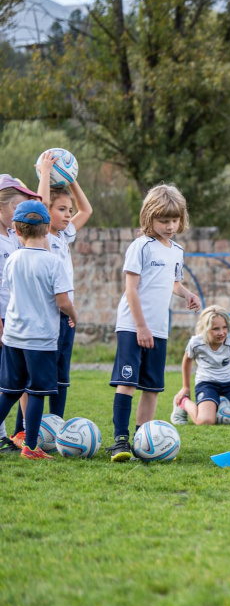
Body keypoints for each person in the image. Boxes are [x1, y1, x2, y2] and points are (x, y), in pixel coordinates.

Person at [108, 185, 201, 461]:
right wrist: (140, 326)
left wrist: (186, 293)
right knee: (127, 383)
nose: (170, 226)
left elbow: (172, 283)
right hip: (133, 326)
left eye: (174, 220)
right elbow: (131, 289)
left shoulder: (176, 250)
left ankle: (141, 440)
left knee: (152, 388)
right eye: (163, 220)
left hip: (159, 329)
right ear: (149, 217)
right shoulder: (140, 247)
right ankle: (120, 441)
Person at [0, 200, 77, 459]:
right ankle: (31, 448)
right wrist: (74, 315)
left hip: (12, 337)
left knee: (10, 391)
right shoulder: (53, 262)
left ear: (17, 231)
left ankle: (25, 444)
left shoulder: (12, 260)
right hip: (40, 340)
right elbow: (63, 301)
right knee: (36, 392)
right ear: (47, 230)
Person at [36, 150, 94, 419]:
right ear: (47, 212)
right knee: (39, 375)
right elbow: (41, 208)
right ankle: (26, 429)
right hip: (49, 313)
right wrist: (46, 173)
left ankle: (56, 423)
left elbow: (87, 210)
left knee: (61, 374)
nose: (69, 215)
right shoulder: (44, 234)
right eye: (62, 209)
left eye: (69, 210)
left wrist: (71, 179)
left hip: (65, 316)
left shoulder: (65, 235)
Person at [0, 176, 43, 453]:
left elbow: (41, 209)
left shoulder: (13, 237)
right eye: (16, 205)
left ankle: (9, 436)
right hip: (3, 321)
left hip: (15, 321)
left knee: (11, 383)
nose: (19, 213)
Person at [171, 305, 230, 425]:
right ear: (205, 328)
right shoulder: (196, 343)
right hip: (207, 383)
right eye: (215, 329)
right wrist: (185, 387)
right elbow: (187, 361)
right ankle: (183, 403)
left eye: (224, 328)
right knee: (205, 421)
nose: (221, 333)